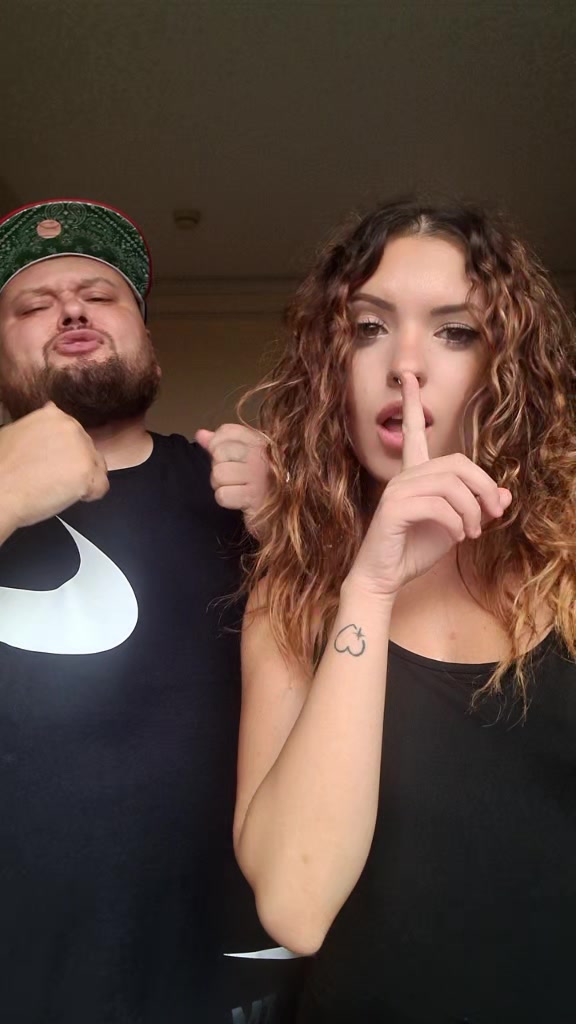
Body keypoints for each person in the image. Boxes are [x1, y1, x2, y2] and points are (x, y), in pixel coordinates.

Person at [233, 198, 576, 1023]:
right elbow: (295, 905)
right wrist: (370, 587)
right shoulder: (293, 594)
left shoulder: (567, 564)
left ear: (506, 366)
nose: (406, 365)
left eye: (455, 331)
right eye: (368, 328)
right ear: (330, 365)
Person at [0, 198, 302, 1024]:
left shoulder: (243, 498)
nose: (72, 311)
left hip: (219, 979)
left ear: (147, 342)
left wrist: (300, 527)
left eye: (101, 296)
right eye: (32, 305)